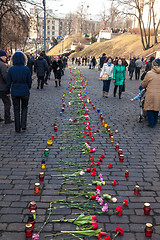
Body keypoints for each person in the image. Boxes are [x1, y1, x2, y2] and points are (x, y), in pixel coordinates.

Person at [5, 51, 32, 132]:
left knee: (16, 109)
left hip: (15, 91)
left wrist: (7, 91)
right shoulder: (26, 69)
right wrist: (28, 87)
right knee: (24, 108)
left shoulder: (11, 69)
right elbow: (29, 81)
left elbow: (8, 82)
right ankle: (23, 125)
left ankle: (17, 128)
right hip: (24, 91)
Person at [142, 58, 160, 127]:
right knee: (156, 108)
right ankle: (155, 121)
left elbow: (144, 84)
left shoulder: (149, 73)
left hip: (151, 93)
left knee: (150, 108)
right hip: (159, 94)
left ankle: (151, 123)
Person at [0, 50, 13, 124]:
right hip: (2, 87)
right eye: (5, 56)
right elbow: (5, 76)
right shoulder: (2, 65)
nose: (6, 58)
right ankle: (7, 118)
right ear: (1, 56)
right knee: (7, 103)